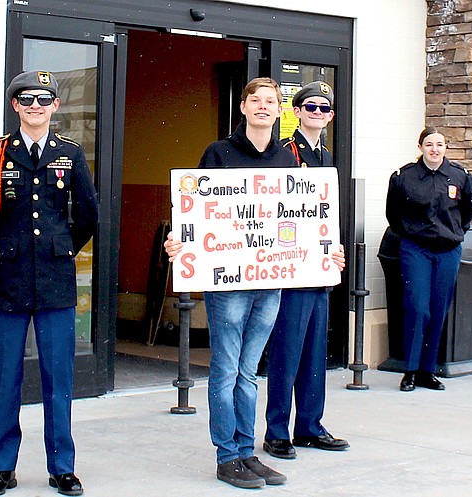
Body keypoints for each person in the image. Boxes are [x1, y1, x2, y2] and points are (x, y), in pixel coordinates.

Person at [0, 70, 98, 496]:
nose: (36, 107)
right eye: (27, 100)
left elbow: (89, 217)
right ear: (16, 106)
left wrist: (61, 248)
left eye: (44, 100)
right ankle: (2, 467)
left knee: (58, 378)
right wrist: (1, 252)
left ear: (56, 106)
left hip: (57, 282)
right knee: (5, 378)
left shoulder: (70, 154)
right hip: (9, 280)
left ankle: (62, 466)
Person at [164, 77, 296, 489]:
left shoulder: (286, 160)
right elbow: (196, 211)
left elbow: (301, 216)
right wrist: (178, 240)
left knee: (250, 372)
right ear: (242, 107)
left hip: (269, 279)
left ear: (279, 110)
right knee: (226, 370)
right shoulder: (218, 154)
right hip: (228, 282)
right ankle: (227, 456)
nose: (262, 106)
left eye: (270, 101)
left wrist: (326, 252)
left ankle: (247, 451)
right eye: (254, 100)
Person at [263, 81, 349, 461]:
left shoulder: (326, 156)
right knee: (288, 351)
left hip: (320, 267)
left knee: (315, 351)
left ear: (330, 116)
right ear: (295, 112)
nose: (317, 113)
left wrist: (335, 248)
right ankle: (277, 430)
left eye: (324, 108)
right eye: (310, 106)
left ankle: (310, 426)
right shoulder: (285, 153)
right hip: (291, 267)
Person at [386, 127, 472, 392]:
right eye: (429, 144)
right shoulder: (405, 177)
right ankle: (411, 370)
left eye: (439, 144)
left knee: (438, 309)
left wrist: (455, 233)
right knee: (417, 307)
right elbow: (394, 213)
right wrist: (411, 236)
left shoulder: (459, 176)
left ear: (445, 147)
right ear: (420, 147)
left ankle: (428, 370)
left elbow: (467, 210)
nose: (434, 149)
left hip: (447, 250)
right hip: (416, 250)